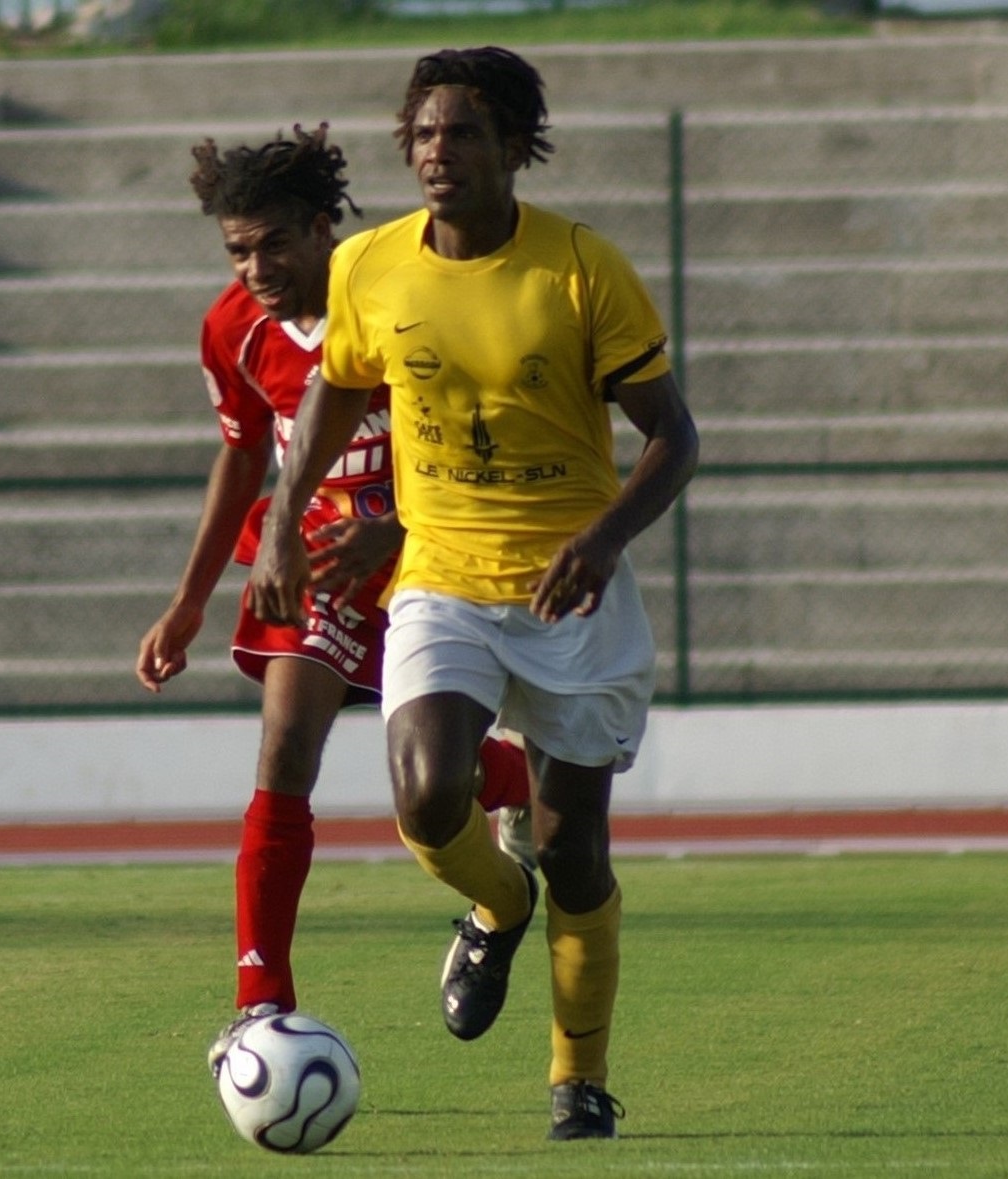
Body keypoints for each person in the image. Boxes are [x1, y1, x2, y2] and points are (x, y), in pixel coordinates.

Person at [246, 47, 699, 1141]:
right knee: (426, 791)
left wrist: (601, 537)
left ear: (511, 147)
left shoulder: (583, 270)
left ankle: (577, 1080)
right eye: (422, 135)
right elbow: (334, 395)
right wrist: (283, 521)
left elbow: (673, 440)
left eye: (461, 134)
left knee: (578, 846)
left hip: (570, 596)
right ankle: (498, 902)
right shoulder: (369, 267)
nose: (436, 153)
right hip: (441, 576)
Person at [134, 124, 534, 1069]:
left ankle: (513, 783)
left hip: (427, 558)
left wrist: (397, 527)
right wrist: (190, 598)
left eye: (274, 243)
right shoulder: (232, 326)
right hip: (305, 563)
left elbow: (481, 432)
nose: (256, 267)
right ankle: (258, 1000)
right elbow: (239, 457)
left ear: (324, 229)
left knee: (437, 777)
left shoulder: (397, 296)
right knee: (283, 749)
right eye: (238, 249)